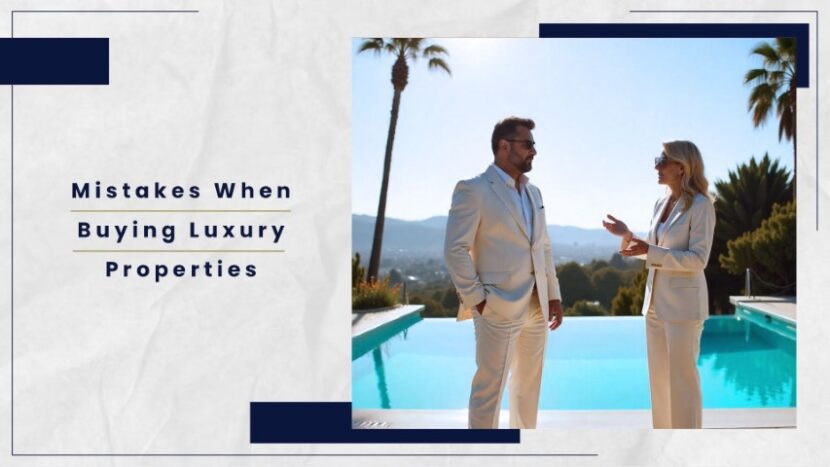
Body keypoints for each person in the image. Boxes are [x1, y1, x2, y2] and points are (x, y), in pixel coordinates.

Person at [444, 116, 563, 429]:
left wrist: (554, 295)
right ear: (503, 146)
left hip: (537, 308)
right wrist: (478, 301)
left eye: (534, 144)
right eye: (528, 144)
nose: (534, 151)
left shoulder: (534, 193)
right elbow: (455, 249)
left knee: (527, 392)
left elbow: (544, 247)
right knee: (489, 392)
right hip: (497, 308)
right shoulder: (475, 190)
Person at [602, 140, 716, 429]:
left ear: (681, 166)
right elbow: (654, 251)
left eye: (662, 160)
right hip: (653, 306)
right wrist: (628, 236)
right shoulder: (660, 203)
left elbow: (697, 259)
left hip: (683, 309)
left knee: (683, 386)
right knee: (660, 385)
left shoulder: (702, 205)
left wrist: (649, 251)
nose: (656, 165)